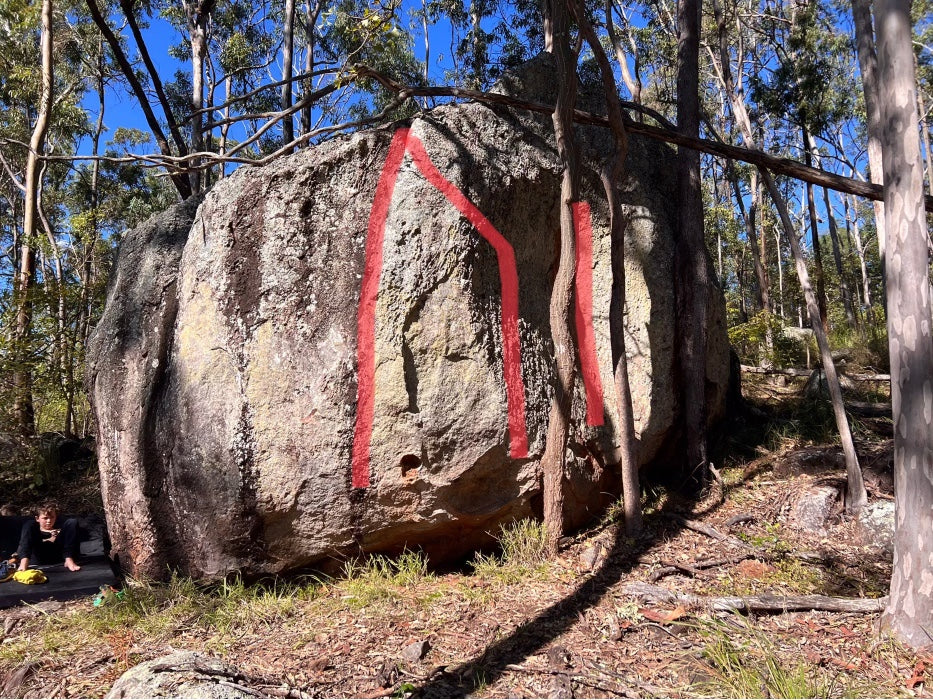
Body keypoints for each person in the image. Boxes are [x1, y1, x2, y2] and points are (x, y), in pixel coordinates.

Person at [17, 501, 81, 572]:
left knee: (72, 522)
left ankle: (69, 559)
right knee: (29, 524)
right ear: (37, 518)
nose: (49, 521)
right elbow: (24, 544)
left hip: (60, 555)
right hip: (39, 556)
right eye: (45, 518)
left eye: (52, 517)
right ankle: (24, 563)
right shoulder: (33, 530)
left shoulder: (61, 530)